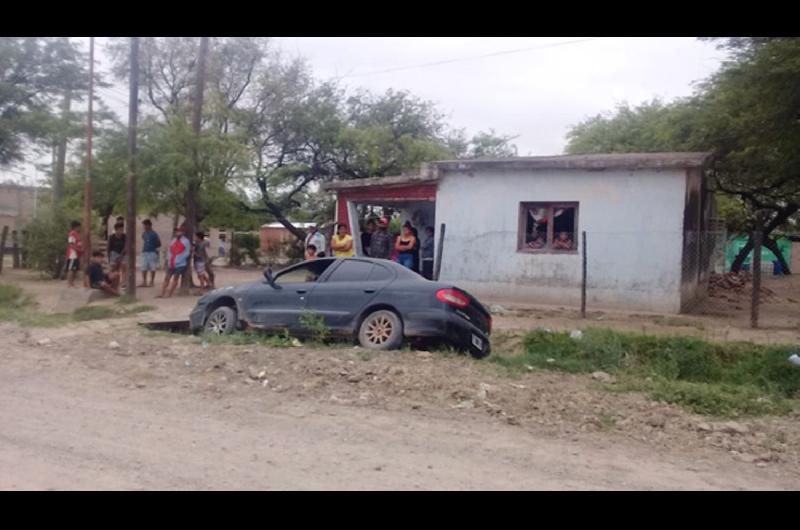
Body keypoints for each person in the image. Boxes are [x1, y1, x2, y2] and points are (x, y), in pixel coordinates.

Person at [157, 226, 191, 299]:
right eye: (176, 231)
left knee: (175, 278)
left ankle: (169, 294)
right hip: (171, 262)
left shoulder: (186, 241)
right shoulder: (173, 240)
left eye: (179, 231)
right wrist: (168, 259)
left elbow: (187, 252)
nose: (177, 233)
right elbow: (169, 250)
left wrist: (179, 259)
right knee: (167, 278)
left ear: (183, 233)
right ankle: (162, 293)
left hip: (180, 263)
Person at [139, 219, 161, 287]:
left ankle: (152, 281)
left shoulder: (154, 234)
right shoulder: (144, 234)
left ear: (149, 225)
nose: (144, 227)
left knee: (152, 267)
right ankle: (144, 281)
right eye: (144, 225)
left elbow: (158, 243)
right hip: (145, 251)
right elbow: (144, 239)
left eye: (145, 225)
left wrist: (154, 248)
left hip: (152, 252)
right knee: (143, 267)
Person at [65, 220, 83, 287]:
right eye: (79, 227)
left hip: (77, 255)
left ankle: (72, 283)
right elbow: (71, 245)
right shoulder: (72, 234)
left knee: (75, 269)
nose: (80, 228)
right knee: (71, 269)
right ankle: (69, 284)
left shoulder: (77, 235)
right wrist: (79, 250)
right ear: (76, 227)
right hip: (72, 254)